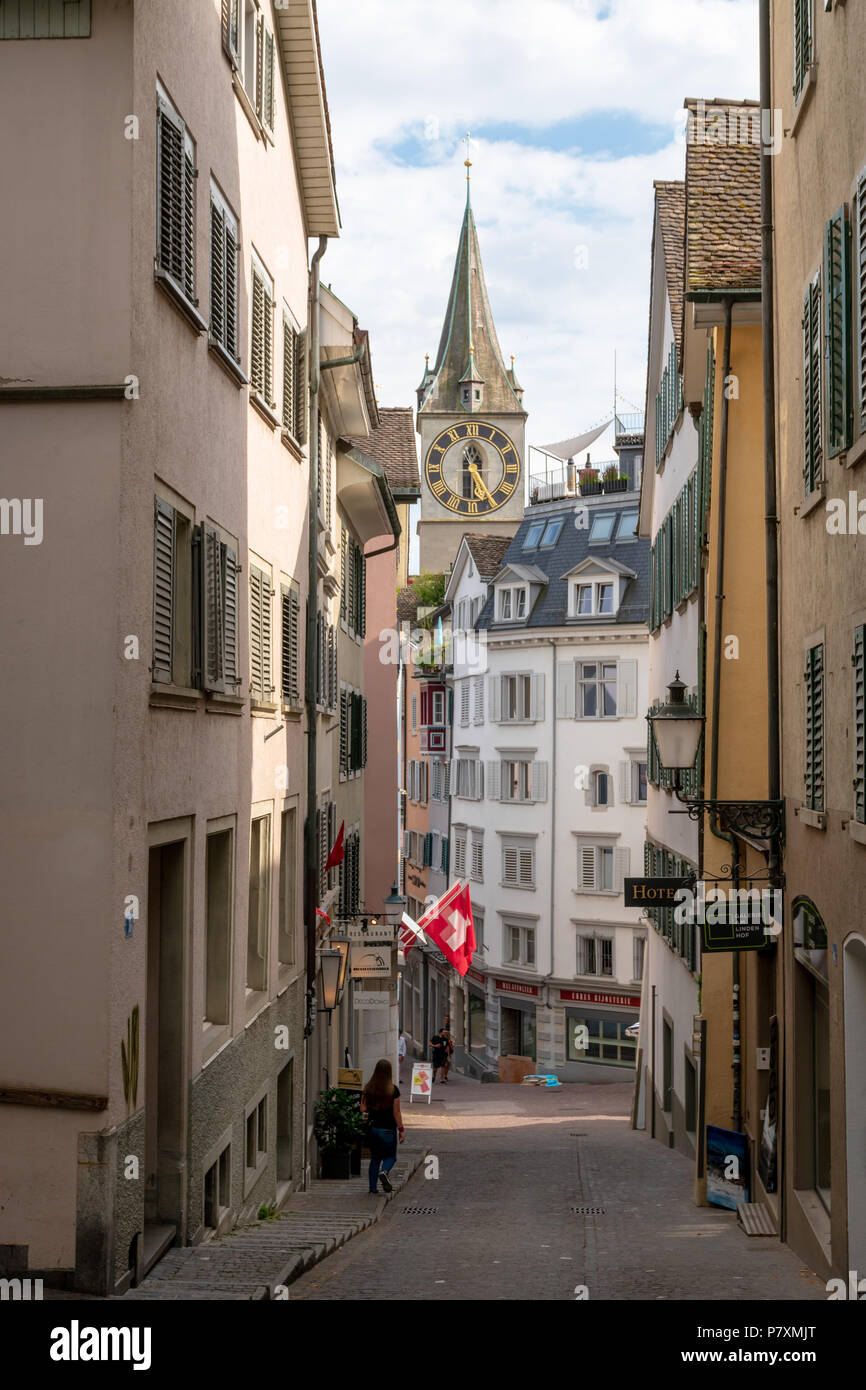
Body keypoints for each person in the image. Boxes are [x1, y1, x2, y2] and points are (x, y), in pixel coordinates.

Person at [360, 1058, 404, 1195]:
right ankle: (384, 1172)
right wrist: (401, 1130)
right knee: (391, 1156)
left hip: (373, 1129)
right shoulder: (393, 1090)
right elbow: (396, 1112)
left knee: (375, 1158)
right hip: (388, 1129)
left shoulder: (368, 1088)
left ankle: (372, 1188)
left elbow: (362, 1108)